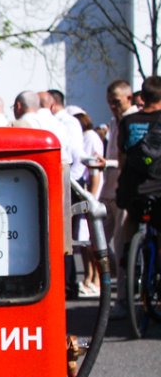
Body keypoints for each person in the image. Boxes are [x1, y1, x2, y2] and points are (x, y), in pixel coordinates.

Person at [117, 76, 161, 313]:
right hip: (159, 188)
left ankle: (123, 297)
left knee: (129, 230)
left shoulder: (128, 121)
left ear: (141, 97)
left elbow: (122, 157)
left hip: (133, 189)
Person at [99, 79, 138, 316]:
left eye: (117, 102)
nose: (114, 107)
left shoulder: (133, 121)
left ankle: (123, 298)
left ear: (129, 98)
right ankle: (115, 290)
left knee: (121, 245)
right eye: (111, 104)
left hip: (123, 189)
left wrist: (109, 163)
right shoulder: (115, 122)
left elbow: (128, 158)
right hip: (110, 189)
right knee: (101, 242)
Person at [72, 110, 104, 297]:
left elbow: (94, 171)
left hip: (91, 195)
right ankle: (89, 277)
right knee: (85, 242)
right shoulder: (85, 137)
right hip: (85, 194)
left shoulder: (89, 137)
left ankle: (97, 279)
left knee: (93, 242)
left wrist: (91, 197)